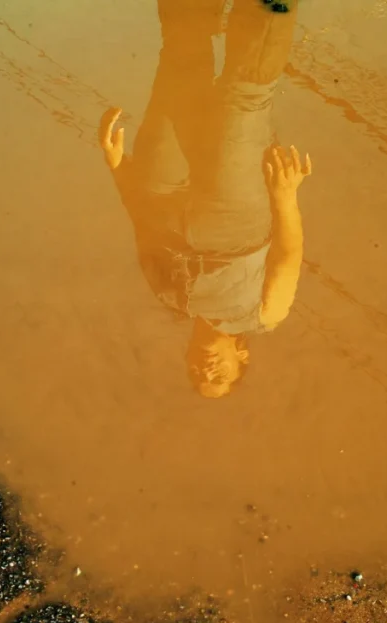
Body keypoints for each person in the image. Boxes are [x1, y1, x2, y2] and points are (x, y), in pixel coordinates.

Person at [98, 0, 312, 398]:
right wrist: (285, 196)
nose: (205, 370)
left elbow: (141, 225)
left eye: (196, 375)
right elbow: (288, 255)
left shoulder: (167, 297)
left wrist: (117, 167)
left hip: (162, 191)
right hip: (235, 216)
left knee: (180, 62)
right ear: (241, 359)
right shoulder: (265, 316)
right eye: (218, 377)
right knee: (243, 95)